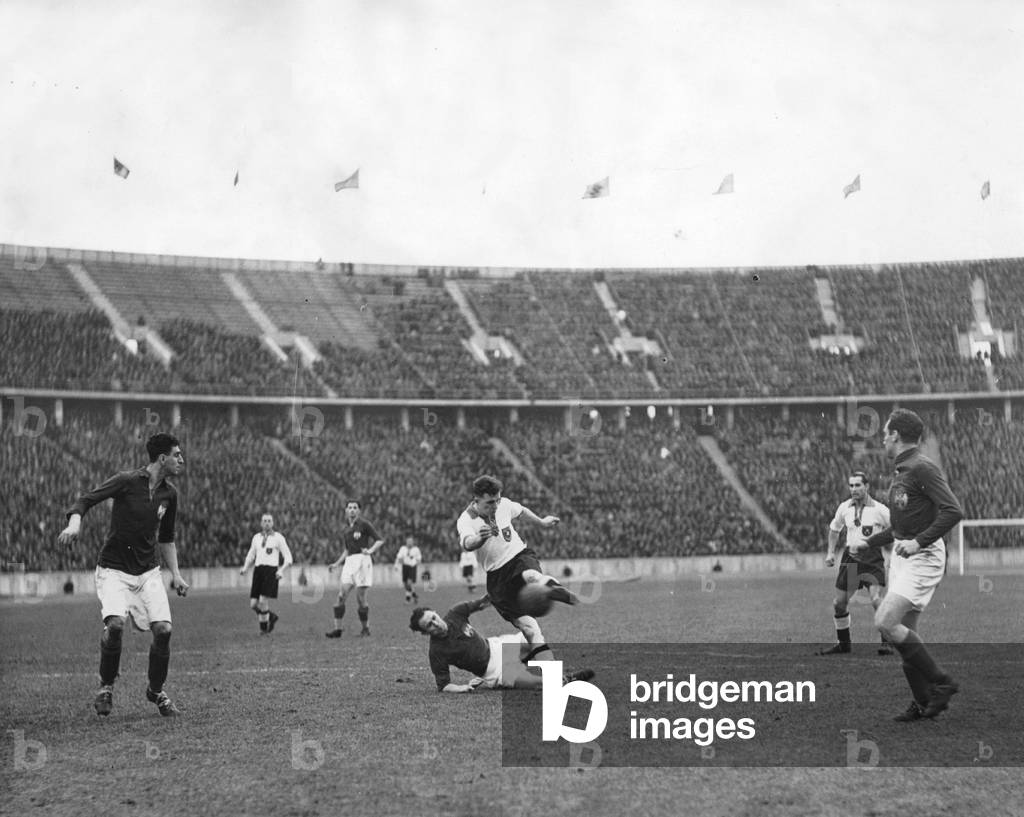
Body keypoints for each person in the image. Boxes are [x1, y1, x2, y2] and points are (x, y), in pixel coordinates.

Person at [57, 432, 189, 717]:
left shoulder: (170, 494)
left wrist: (175, 574)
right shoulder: (126, 481)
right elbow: (84, 500)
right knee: (115, 625)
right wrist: (74, 525)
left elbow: (166, 538)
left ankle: (156, 691)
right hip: (114, 570)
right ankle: (106, 686)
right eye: (177, 455)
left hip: (148, 573)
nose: (181, 459)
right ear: (162, 458)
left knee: (164, 630)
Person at [859, 409, 964, 722]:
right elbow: (900, 527)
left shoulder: (921, 468)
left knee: (886, 621)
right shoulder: (903, 469)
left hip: (924, 556)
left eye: (885, 432)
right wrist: (868, 542)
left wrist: (919, 542)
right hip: (904, 558)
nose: (882, 437)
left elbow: (953, 511)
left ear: (895, 435)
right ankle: (922, 702)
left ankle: (942, 683)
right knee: (903, 634)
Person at [456, 475, 576, 665]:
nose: (495, 505)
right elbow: (467, 542)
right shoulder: (466, 520)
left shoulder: (503, 504)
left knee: (531, 575)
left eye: (497, 500)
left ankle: (552, 588)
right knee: (530, 629)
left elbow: (521, 511)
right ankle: (555, 675)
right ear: (476, 499)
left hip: (518, 557)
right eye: (489, 502)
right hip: (498, 579)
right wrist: (479, 539)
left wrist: (542, 522)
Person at [409, 596, 593, 692]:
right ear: (426, 633)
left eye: (433, 618)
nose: (435, 624)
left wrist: (504, 590)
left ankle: (551, 671)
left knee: (531, 631)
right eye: (429, 626)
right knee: (536, 684)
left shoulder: (455, 613)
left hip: (499, 646)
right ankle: (564, 681)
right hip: (493, 672)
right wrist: (461, 688)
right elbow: (443, 685)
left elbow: (483, 602)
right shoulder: (436, 652)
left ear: (435, 612)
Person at [819, 471, 892, 655]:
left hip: (872, 558)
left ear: (866, 486)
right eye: (851, 486)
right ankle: (844, 644)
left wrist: (894, 553)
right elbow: (834, 529)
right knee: (839, 603)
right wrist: (830, 552)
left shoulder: (879, 509)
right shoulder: (844, 507)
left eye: (857, 485)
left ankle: (887, 643)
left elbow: (896, 530)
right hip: (851, 559)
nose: (853, 489)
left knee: (876, 600)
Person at [325, 500, 383, 638]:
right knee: (341, 595)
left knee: (360, 598)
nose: (352, 510)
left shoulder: (364, 524)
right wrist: (336, 563)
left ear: (359, 511)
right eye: (349, 507)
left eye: (355, 508)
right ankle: (337, 630)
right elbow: (346, 550)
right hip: (349, 562)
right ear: (346, 510)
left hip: (362, 562)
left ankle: (365, 629)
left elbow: (379, 540)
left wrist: (370, 551)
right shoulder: (346, 529)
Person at [239, 513, 293, 634]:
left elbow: (289, 558)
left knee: (263, 601)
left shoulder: (278, 538)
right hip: (258, 571)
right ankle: (271, 617)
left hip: (271, 571)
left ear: (273, 523)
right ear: (261, 523)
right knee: (253, 604)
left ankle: (263, 630)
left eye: (269, 521)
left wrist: (281, 570)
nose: (267, 523)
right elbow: (251, 554)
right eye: (265, 521)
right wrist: (245, 567)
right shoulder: (256, 538)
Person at [394, 533, 422, 604]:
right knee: (405, 584)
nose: (409, 543)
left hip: (412, 567)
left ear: (413, 542)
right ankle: (414, 595)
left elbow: (419, 558)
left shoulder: (416, 549)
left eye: (411, 541)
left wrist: (416, 562)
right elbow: (399, 557)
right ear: (406, 542)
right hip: (405, 567)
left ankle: (408, 599)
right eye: (408, 541)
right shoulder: (403, 548)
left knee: (409, 583)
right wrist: (396, 565)